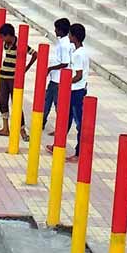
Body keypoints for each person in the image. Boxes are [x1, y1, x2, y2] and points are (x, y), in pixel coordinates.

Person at [49, 24, 89, 161]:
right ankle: (58, 144)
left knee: (79, 122)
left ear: (75, 37)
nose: (69, 37)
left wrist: (65, 83)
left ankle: (79, 153)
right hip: (76, 90)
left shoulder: (78, 55)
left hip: (77, 91)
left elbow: (78, 75)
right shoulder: (80, 51)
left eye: (71, 35)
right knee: (66, 118)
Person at [0, 23, 37, 140]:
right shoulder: (6, 44)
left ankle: (22, 130)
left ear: (9, 35)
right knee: (2, 101)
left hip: (13, 79)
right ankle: (6, 128)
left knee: (16, 103)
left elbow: (35, 54)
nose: (1, 39)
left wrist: (25, 69)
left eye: (3, 36)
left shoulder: (20, 45)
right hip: (3, 76)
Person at [43, 18, 72, 135]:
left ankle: (60, 128)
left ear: (61, 30)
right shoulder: (62, 42)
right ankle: (41, 121)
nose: (55, 31)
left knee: (57, 104)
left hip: (59, 79)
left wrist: (50, 68)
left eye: (56, 29)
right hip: (54, 78)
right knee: (47, 100)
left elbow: (65, 62)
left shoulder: (65, 45)